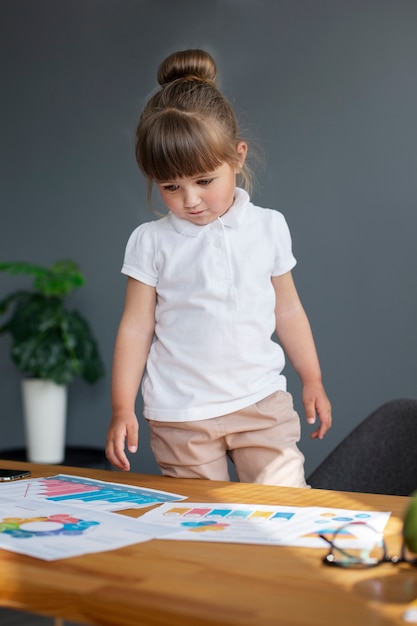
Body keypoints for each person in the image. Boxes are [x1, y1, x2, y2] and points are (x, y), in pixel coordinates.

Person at [105, 49, 332, 487]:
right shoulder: (150, 242)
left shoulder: (268, 227)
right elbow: (135, 328)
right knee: (205, 527)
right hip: (182, 416)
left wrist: (312, 377)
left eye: (204, 181)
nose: (190, 200)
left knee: (283, 511)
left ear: (238, 157)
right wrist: (121, 407)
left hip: (261, 404)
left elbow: (287, 309)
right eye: (171, 186)